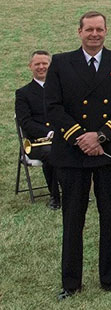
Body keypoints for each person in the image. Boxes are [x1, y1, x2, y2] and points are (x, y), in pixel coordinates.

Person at [43, 11, 111, 300]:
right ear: (79, 32)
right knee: (73, 219)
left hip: (108, 151)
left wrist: (100, 136)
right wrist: (79, 137)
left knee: (110, 216)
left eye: (99, 29)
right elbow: (53, 106)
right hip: (72, 154)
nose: (94, 34)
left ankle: (110, 279)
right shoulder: (61, 62)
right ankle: (70, 283)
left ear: (106, 31)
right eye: (89, 30)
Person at [15, 50, 59, 209]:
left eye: (44, 63)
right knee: (51, 152)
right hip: (36, 143)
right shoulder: (23, 93)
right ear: (30, 66)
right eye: (37, 64)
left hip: (60, 137)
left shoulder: (61, 88)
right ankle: (55, 196)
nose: (41, 67)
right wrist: (47, 133)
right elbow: (25, 122)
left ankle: (75, 192)